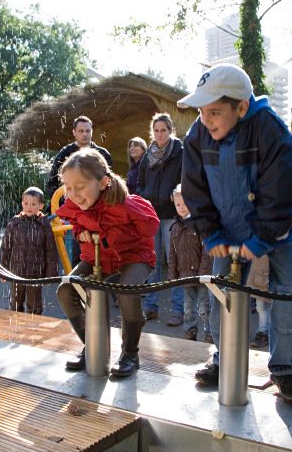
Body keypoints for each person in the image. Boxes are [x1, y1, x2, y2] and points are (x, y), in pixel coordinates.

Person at [179, 63, 292, 401]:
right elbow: (194, 188)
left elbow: (283, 191)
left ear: (242, 106)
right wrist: (212, 233)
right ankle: (225, 359)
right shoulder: (199, 132)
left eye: (215, 112)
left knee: (290, 290)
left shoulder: (272, 131)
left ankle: (285, 368)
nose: (206, 120)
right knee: (222, 293)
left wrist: (262, 239)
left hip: (278, 231)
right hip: (227, 230)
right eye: (202, 112)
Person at [55, 149, 159, 377]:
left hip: (134, 257)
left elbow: (151, 226)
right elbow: (79, 222)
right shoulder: (76, 204)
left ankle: (130, 353)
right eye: (68, 188)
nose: (73, 194)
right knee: (65, 290)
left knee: (126, 292)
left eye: (80, 186)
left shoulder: (126, 204)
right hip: (98, 257)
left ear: (103, 183)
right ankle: (91, 345)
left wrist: (117, 234)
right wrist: (82, 232)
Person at [135, 113, 185, 326]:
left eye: (163, 130)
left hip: (171, 215)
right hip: (151, 215)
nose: (160, 134)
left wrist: (172, 199)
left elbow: (184, 181)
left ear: (170, 130)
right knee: (153, 262)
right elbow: (139, 182)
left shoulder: (179, 152)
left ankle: (178, 310)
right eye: (156, 130)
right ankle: (151, 307)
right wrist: (143, 198)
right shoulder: (148, 155)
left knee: (175, 263)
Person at [45, 116, 113, 270]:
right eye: (81, 131)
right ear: (74, 132)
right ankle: (76, 287)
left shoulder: (102, 154)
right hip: (74, 212)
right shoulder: (65, 154)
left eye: (88, 131)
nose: (85, 134)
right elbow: (52, 183)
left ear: (92, 132)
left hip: (98, 211)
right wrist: (65, 204)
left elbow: (109, 182)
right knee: (75, 252)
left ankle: (100, 287)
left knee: (101, 250)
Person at [0, 187, 58, 314]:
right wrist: (3, 270)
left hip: (35, 273)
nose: (29, 207)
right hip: (16, 272)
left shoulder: (44, 225)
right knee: (15, 303)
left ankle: (34, 326)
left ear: (41, 205)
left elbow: (50, 251)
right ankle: (15, 327)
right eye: (26, 204)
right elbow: (6, 247)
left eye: (33, 204)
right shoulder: (15, 223)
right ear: (22, 204)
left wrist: (50, 274)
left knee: (34, 304)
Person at [168, 184, 213, 342]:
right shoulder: (175, 227)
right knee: (188, 308)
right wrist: (173, 274)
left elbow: (207, 253)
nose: (181, 207)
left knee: (204, 307)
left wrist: (203, 274)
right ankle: (190, 330)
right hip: (185, 274)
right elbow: (172, 253)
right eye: (178, 204)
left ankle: (209, 332)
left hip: (201, 276)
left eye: (185, 204)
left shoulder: (200, 225)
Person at [245, 255, 270, 349]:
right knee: (261, 306)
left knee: (273, 307)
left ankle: (265, 332)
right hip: (260, 271)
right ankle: (263, 332)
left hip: (273, 270)